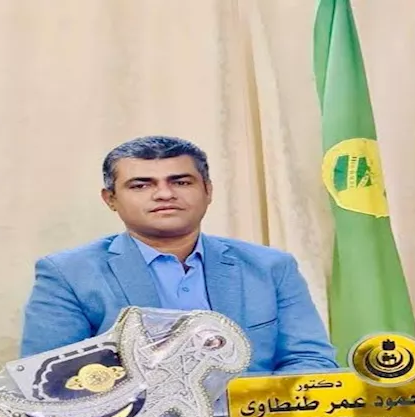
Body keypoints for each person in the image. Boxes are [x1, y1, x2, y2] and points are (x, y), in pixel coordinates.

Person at [20, 135, 338, 373]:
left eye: (181, 182)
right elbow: (50, 378)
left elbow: (309, 360)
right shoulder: (68, 274)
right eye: (141, 185)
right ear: (110, 199)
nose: (164, 194)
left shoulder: (270, 267)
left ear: (208, 190)